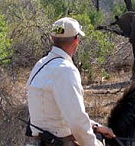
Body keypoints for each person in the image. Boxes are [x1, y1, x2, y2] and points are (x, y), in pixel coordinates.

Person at [26, 17, 115, 146]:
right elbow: (76, 122)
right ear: (76, 40)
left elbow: (58, 114)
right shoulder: (66, 70)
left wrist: (95, 126)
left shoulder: (40, 64)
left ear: (52, 38)